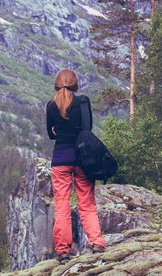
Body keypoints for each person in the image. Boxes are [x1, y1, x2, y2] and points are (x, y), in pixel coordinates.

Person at [46, 68, 106, 263]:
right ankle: (96, 243)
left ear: (57, 84)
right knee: (86, 204)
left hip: (60, 160)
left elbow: (51, 134)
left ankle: (63, 251)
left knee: (62, 206)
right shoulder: (83, 102)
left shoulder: (51, 105)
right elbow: (87, 129)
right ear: (75, 84)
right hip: (83, 159)